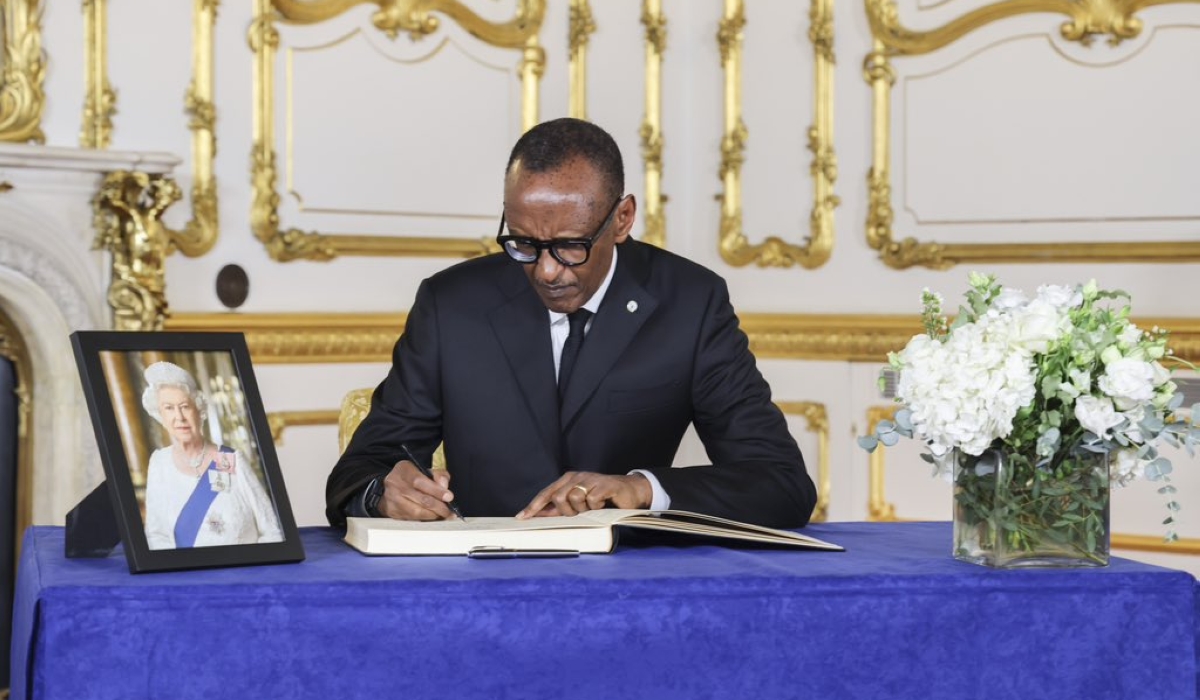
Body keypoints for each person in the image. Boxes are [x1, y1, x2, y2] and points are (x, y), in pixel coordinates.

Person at [326, 118, 816, 529]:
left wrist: (641, 489)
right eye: (522, 243)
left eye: (570, 246)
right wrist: (381, 493)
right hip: (481, 582)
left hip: (630, 584)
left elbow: (780, 482)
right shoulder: (451, 304)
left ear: (622, 219)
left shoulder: (690, 303)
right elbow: (360, 469)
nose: (545, 270)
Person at [141, 361, 284, 549]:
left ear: (199, 410)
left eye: (185, 406)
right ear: (160, 415)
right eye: (168, 408)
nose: (179, 417)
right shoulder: (159, 463)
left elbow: (272, 530)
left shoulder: (231, 460)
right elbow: (156, 535)